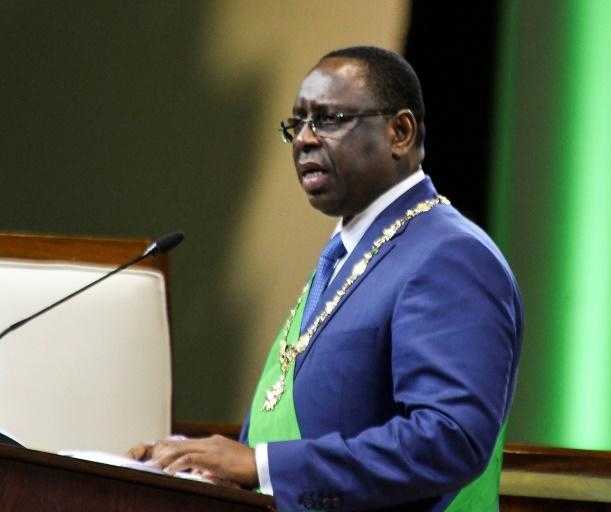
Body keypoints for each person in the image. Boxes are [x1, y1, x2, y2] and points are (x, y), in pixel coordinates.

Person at [128, 46, 523, 512]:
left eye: (328, 119)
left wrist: (262, 466)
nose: (303, 139)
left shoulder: (448, 256)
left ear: (400, 132)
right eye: (297, 124)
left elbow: (450, 438)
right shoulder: (353, 250)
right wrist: (205, 467)